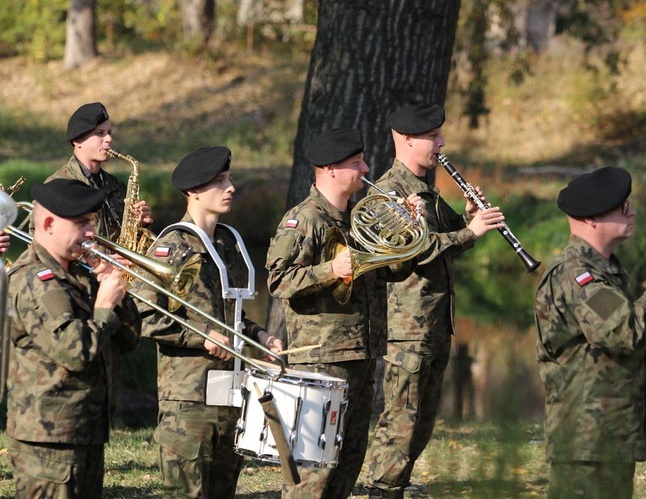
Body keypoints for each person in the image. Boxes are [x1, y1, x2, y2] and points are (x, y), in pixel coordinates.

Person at [266, 127, 421, 499]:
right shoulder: (305, 219)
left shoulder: (356, 217)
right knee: (313, 473)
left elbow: (393, 271)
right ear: (331, 169)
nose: (367, 169)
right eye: (357, 163)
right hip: (323, 360)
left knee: (349, 463)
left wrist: (410, 227)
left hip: (362, 355)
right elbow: (278, 279)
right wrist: (330, 270)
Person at [365, 103, 505, 498]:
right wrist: (471, 233)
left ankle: (399, 484)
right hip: (407, 329)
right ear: (408, 140)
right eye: (433, 137)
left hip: (435, 324)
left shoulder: (426, 189)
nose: (441, 143)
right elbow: (413, 251)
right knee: (401, 419)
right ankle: (382, 489)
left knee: (423, 420)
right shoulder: (389, 192)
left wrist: (467, 216)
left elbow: (444, 243)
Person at [535, 166, 646, 498]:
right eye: (622, 207)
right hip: (586, 445)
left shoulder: (601, 271)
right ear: (592, 219)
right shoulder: (580, 278)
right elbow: (626, 332)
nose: (631, 211)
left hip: (603, 438)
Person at [135, 146, 282, 498]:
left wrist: (260, 335)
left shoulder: (228, 242)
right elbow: (145, 316)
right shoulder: (171, 246)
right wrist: (200, 338)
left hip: (231, 392)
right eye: (219, 182)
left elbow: (230, 313)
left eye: (229, 179)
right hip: (189, 400)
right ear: (194, 192)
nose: (230, 188)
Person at [5, 178, 141, 497]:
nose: (91, 233)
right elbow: (75, 352)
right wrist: (105, 303)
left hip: (85, 430)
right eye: (81, 224)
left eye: (91, 223)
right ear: (49, 224)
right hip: (49, 443)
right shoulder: (33, 281)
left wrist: (115, 290)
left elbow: (127, 341)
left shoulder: (78, 275)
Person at [47, 101, 152, 242]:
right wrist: (100, 262)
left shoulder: (115, 184)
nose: (109, 139)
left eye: (109, 133)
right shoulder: (57, 186)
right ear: (77, 140)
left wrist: (140, 225)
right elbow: (45, 245)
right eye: (100, 133)